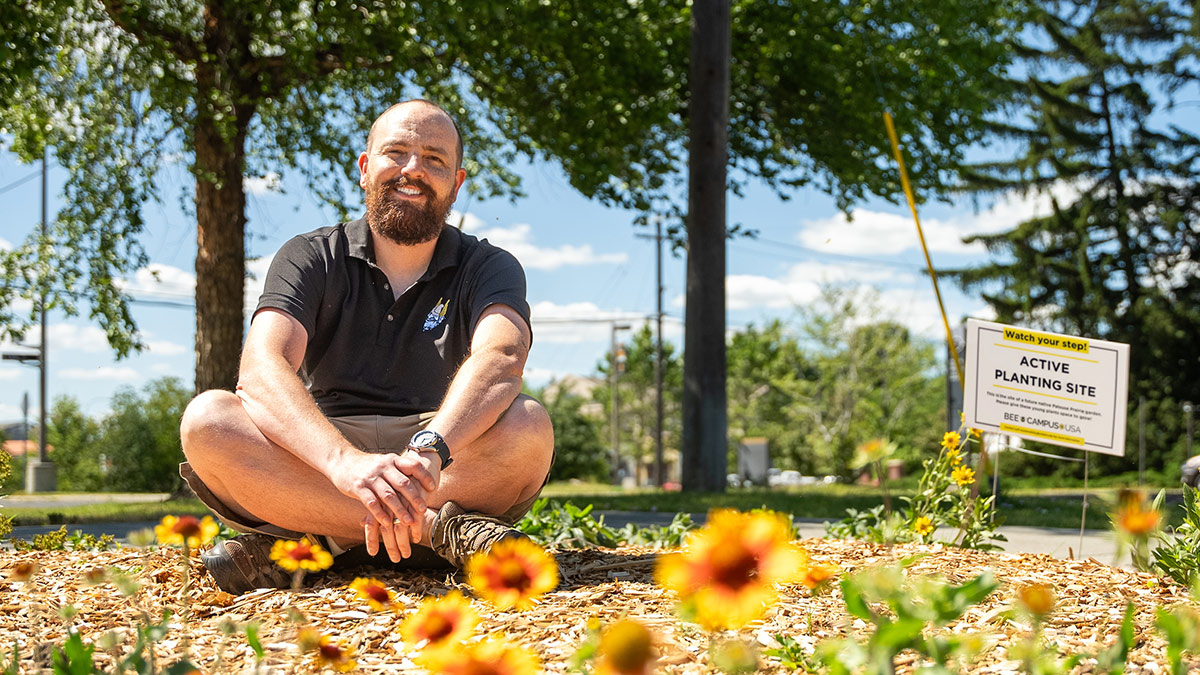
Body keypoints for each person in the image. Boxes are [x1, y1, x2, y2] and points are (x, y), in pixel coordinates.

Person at [178, 99, 555, 594]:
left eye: (435, 159)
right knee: (209, 421)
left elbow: (501, 357)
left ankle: (318, 540)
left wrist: (431, 449)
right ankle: (440, 531)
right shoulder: (309, 255)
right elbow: (261, 367)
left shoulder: (491, 266)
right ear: (364, 167)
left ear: (457, 183)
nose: (413, 170)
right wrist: (343, 464)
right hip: (324, 451)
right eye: (396, 152)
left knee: (528, 426)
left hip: (445, 451)